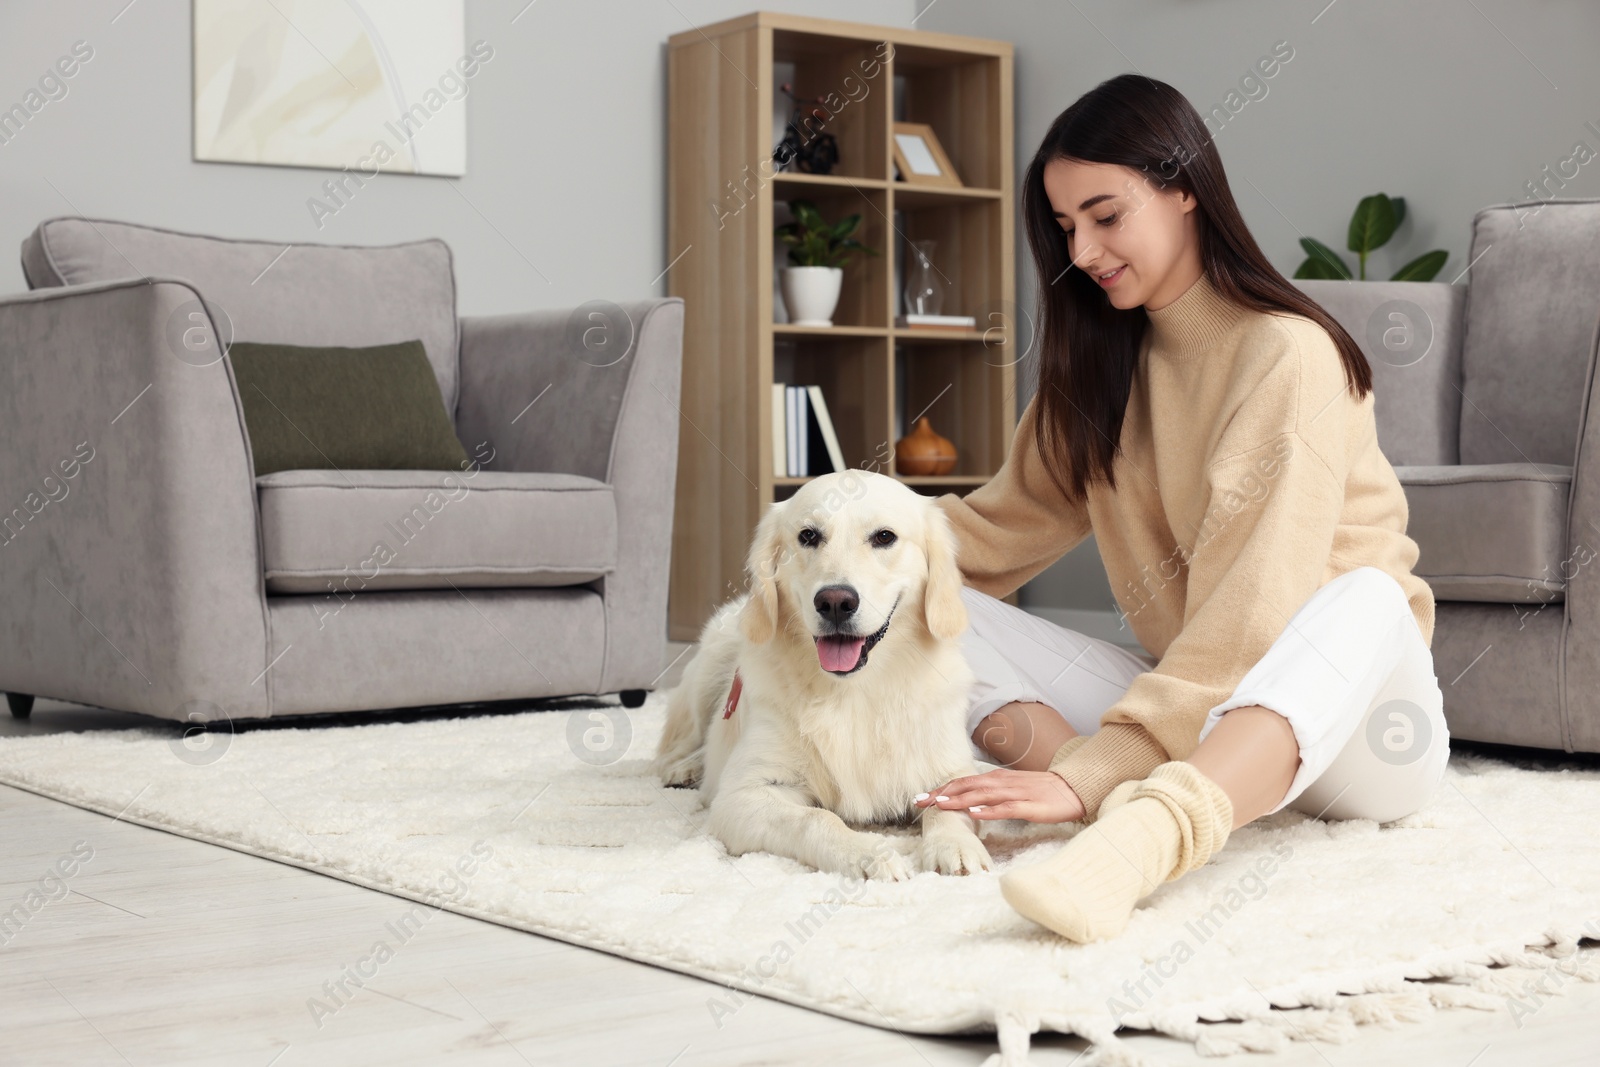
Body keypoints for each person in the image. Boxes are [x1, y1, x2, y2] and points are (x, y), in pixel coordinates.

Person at [912, 74, 1449, 943]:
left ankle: (1139, 838)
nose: (1082, 250)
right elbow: (983, 534)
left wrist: (1092, 772)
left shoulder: (1287, 354)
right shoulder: (1097, 371)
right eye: (1064, 227)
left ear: (1186, 188)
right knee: (922, 602)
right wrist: (810, 591)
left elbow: (1253, 616)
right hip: (1208, 716)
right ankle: (1111, 787)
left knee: (1366, 596)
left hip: (1362, 742)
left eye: (1105, 215)